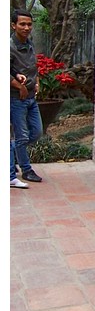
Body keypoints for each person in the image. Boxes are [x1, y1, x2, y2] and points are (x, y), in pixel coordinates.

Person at [10, 9, 43, 184]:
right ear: (13, 25)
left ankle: (11, 154)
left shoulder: (29, 43)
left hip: (31, 97)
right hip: (16, 98)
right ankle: (26, 170)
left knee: (37, 132)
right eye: (22, 24)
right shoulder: (9, 46)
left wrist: (36, 81)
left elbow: (33, 66)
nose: (26, 27)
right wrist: (18, 87)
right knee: (21, 136)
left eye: (29, 24)